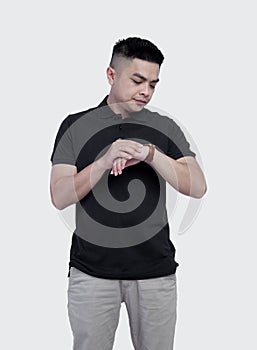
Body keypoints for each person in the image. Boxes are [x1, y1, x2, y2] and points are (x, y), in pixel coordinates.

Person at [50, 37, 207, 350]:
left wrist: (150, 154)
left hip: (155, 272)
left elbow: (198, 186)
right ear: (111, 75)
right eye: (137, 80)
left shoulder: (165, 126)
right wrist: (105, 160)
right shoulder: (75, 125)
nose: (146, 91)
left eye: (153, 83)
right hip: (91, 272)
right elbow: (60, 195)